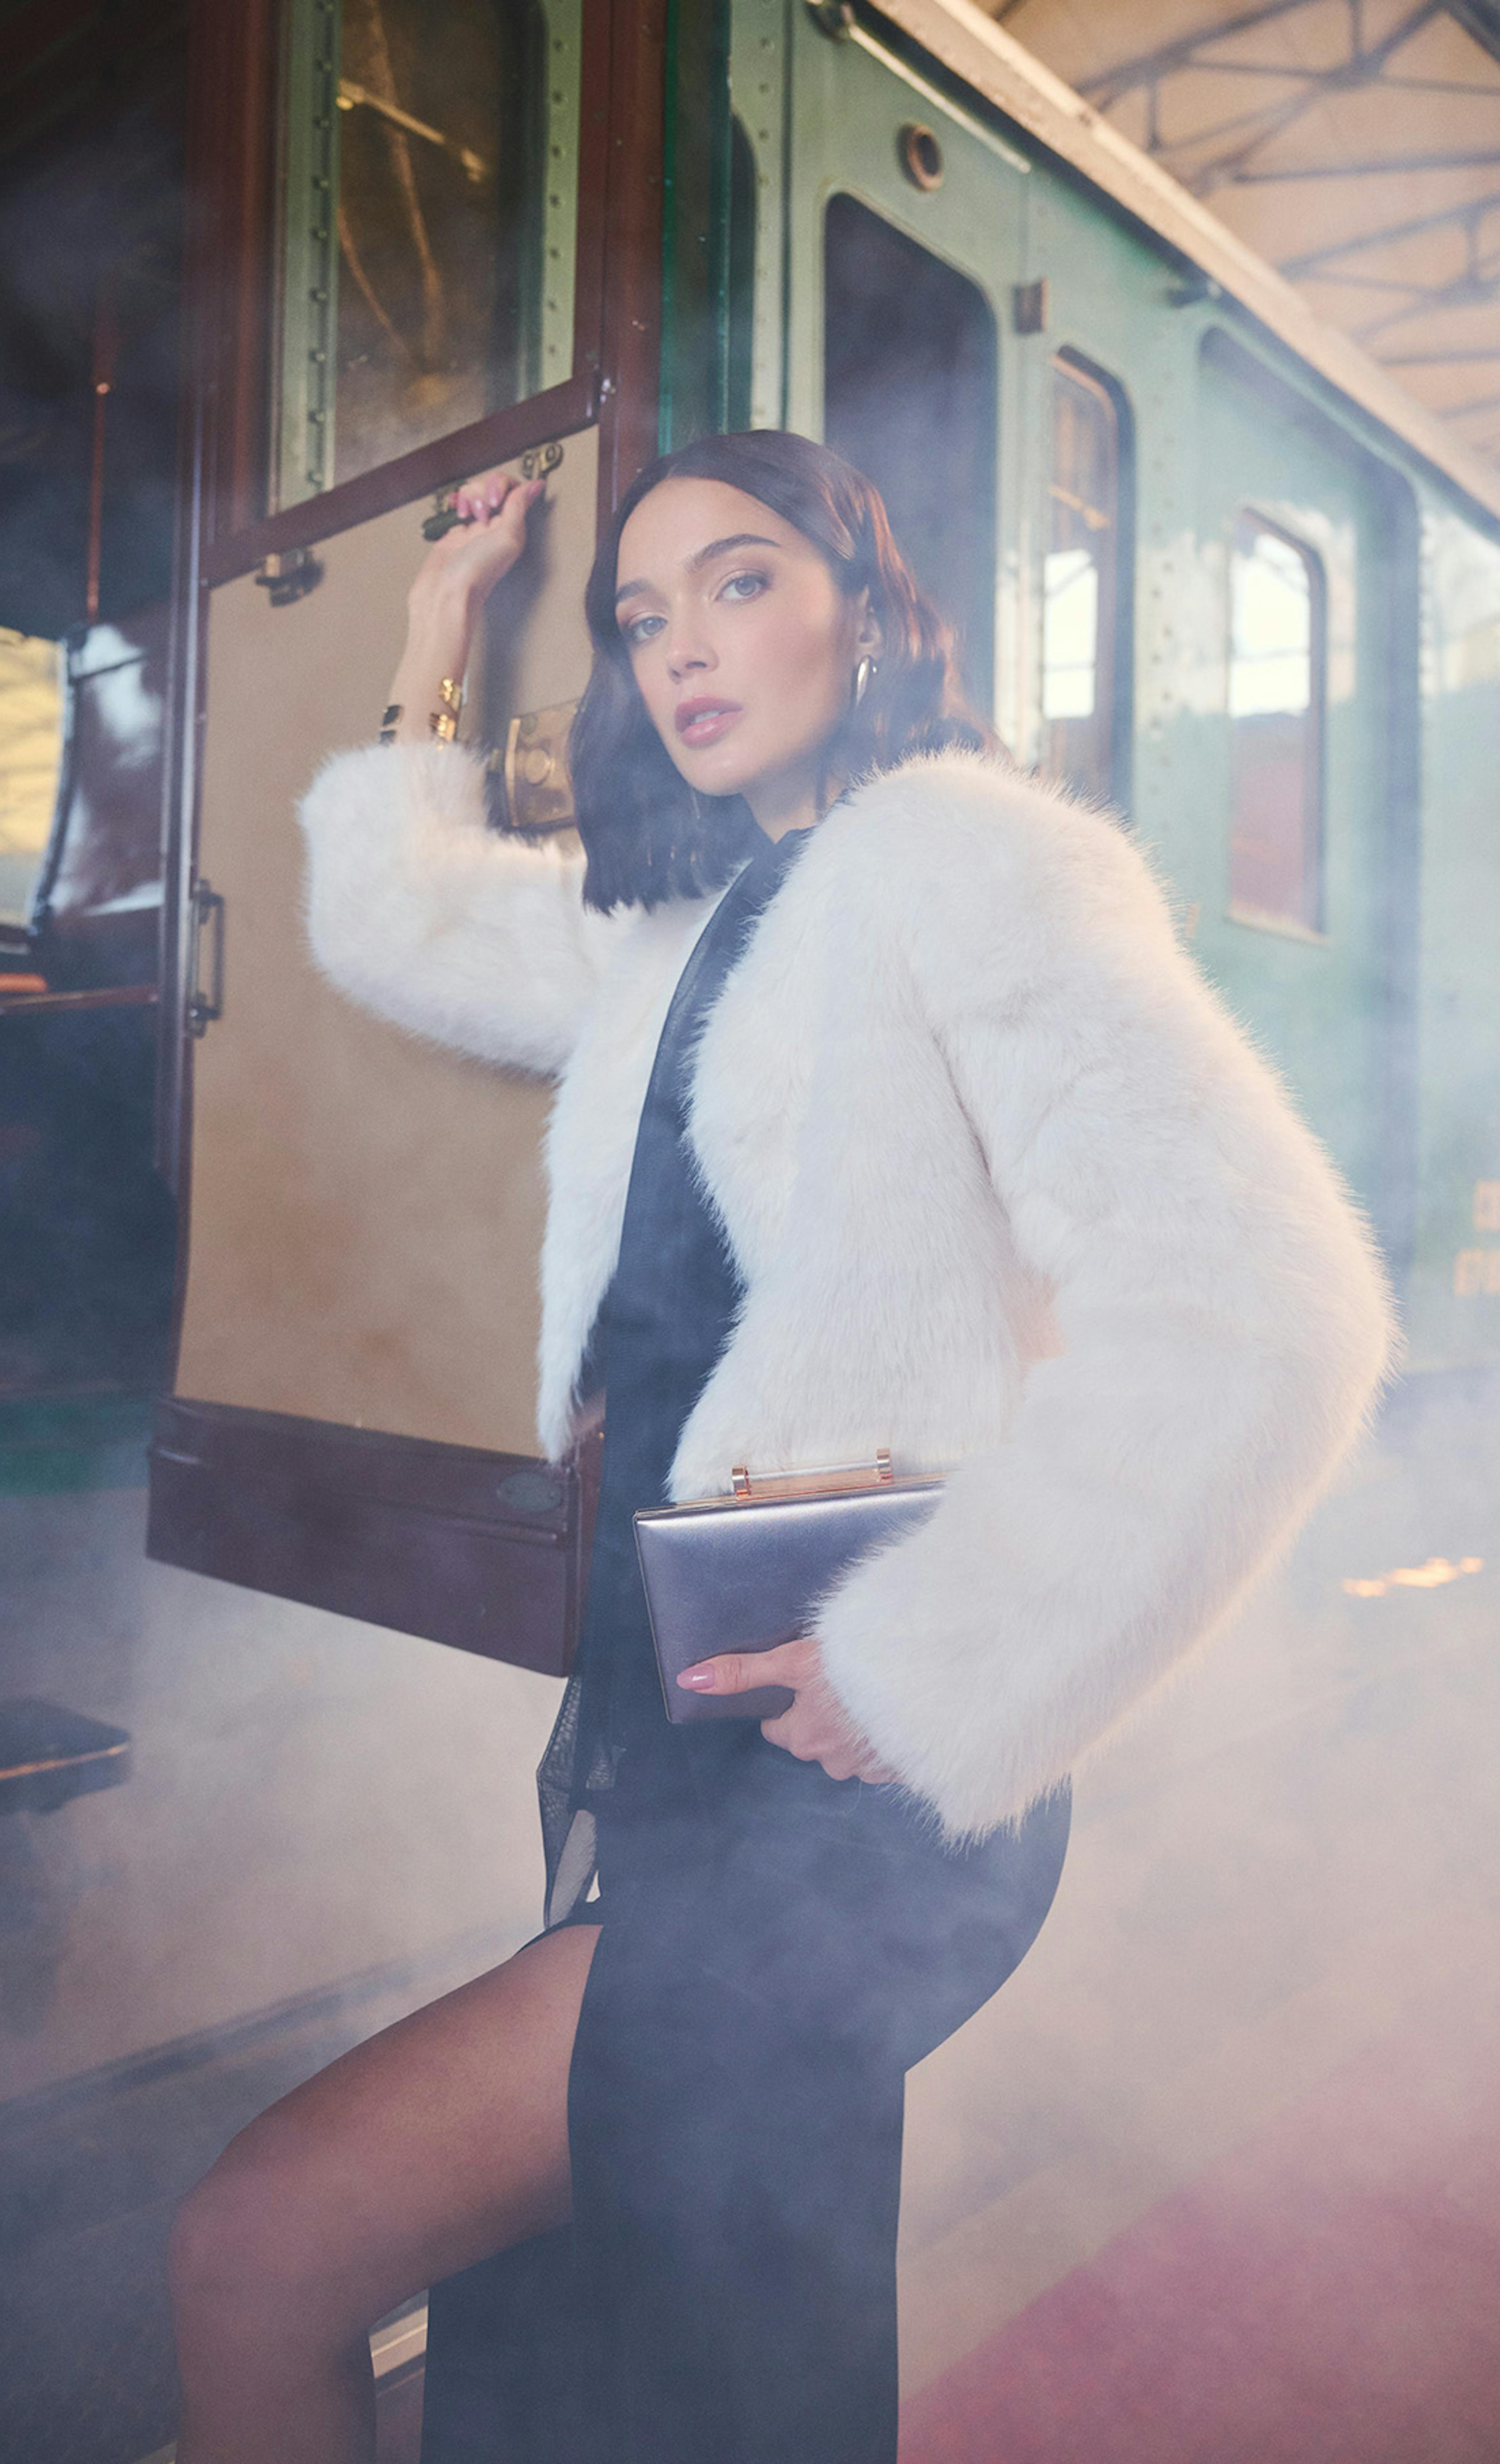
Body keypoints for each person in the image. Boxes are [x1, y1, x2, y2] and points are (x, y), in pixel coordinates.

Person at [168, 430, 1393, 2464]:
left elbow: (1272, 1309)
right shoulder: (684, 929)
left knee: (262, 2244)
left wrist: (928, 1662)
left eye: (739, 581)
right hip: (693, 1759)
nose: (681, 646)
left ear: (868, 608)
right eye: (642, 612)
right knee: (629, 2355)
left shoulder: (966, 862)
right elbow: (402, 923)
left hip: (849, 1786)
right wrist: (433, 627)